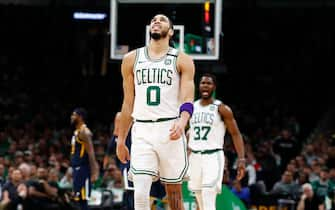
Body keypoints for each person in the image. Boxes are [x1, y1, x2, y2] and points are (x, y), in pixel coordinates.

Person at [116, 13, 195, 210]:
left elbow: (187, 97)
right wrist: (120, 139)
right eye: (153, 20)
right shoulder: (131, 59)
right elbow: (128, 103)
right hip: (142, 130)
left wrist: (183, 120)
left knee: (174, 196)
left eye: (162, 20)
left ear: (171, 31)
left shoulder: (182, 59)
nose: (156, 21)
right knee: (141, 193)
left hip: (170, 129)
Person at [187, 73, 246, 210]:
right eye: (203, 83)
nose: (205, 86)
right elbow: (188, 133)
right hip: (195, 157)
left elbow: (235, 134)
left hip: (213, 156)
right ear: (199, 86)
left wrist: (241, 159)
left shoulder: (222, 108)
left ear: (214, 87)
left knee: (208, 195)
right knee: (199, 199)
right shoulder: (192, 107)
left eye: (209, 83)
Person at [70, 107, 99, 210]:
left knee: (83, 200)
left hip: (83, 169)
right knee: (77, 199)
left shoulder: (84, 131)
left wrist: (95, 171)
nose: (72, 117)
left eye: (74, 115)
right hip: (76, 169)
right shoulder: (77, 131)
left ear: (80, 117)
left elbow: (91, 152)